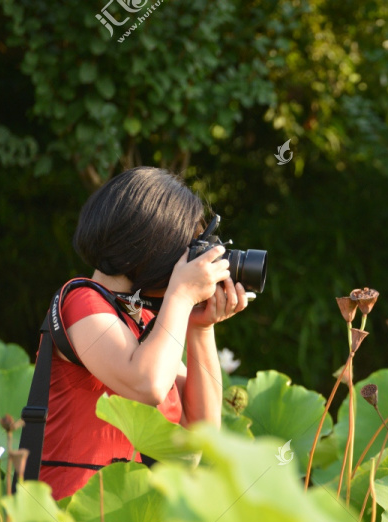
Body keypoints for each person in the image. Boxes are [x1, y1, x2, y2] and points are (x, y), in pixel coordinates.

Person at [39, 167, 249, 500]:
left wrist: (200, 326)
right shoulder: (81, 302)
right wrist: (180, 295)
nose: (188, 262)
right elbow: (147, 383)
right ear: (151, 244)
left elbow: (202, 435)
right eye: (185, 250)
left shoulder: (147, 320)